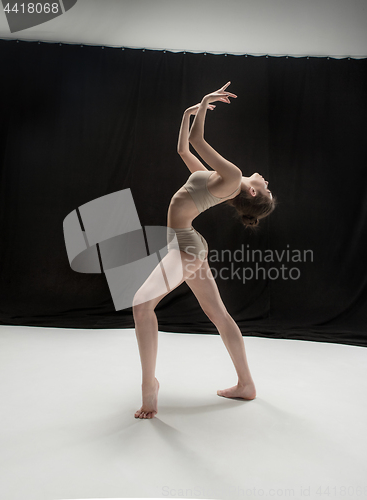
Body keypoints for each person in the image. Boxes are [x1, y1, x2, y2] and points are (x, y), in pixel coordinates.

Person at [133, 82, 276, 419]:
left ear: (253, 194)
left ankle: (148, 386)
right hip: (187, 245)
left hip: (185, 248)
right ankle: (246, 385)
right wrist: (187, 114)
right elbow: (185, 149)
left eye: (266, 188)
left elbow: (199, 141)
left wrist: (204, 101)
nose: (266, 180)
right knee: (218, 315)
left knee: (141, 305)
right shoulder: (216, 180)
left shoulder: (233, 177)